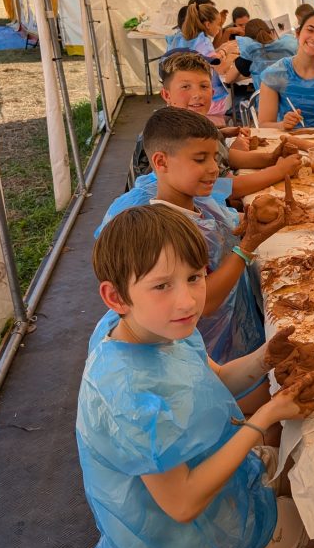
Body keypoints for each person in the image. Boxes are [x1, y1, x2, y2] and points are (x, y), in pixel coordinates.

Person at [78, 204, 314, 548]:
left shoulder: (155, 325)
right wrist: (267, 414)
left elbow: (216, 380)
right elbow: (182, 503)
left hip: (209, 475)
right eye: (162, 285)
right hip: (178, 545)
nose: (187, 301)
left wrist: (266, 357)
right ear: (116, 297)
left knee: (312, 471)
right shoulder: (129, 397)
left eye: (194, 277)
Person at [109, 107, 277, 362]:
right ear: (161, 162)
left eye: (215, 158)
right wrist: (247, 246)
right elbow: (204, 302)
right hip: (211, 352)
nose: (214, 168)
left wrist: (258, 217)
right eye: (200, 160)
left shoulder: (202, 201)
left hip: (241, 328)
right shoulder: (164, 231)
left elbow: (228, 225)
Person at [124, 51, 303, 202]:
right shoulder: (169, 132)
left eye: (204, 86)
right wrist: (279, 170)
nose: (197, 94)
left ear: (213, 91)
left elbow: (226, 156)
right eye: (185, 87)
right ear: (166, 95)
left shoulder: (193, 123)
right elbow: (227, 188)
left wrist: (271, 158)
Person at [169, 2, 242, 125]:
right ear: (208, 24)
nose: (219, 28)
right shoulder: (203, 42)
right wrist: (230, 54)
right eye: (218, 24)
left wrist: (221, 50)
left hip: (181, 96)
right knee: (238, 99)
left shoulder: (180, 37)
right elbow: (221, 68)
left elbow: (204, 57)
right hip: (207, 102)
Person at [235, 18, 298, 90]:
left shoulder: (249, 54)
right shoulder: (291, 44)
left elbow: (228, 79)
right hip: (292, 93)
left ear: (248, 40)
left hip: (265, 95)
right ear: (271, 32)